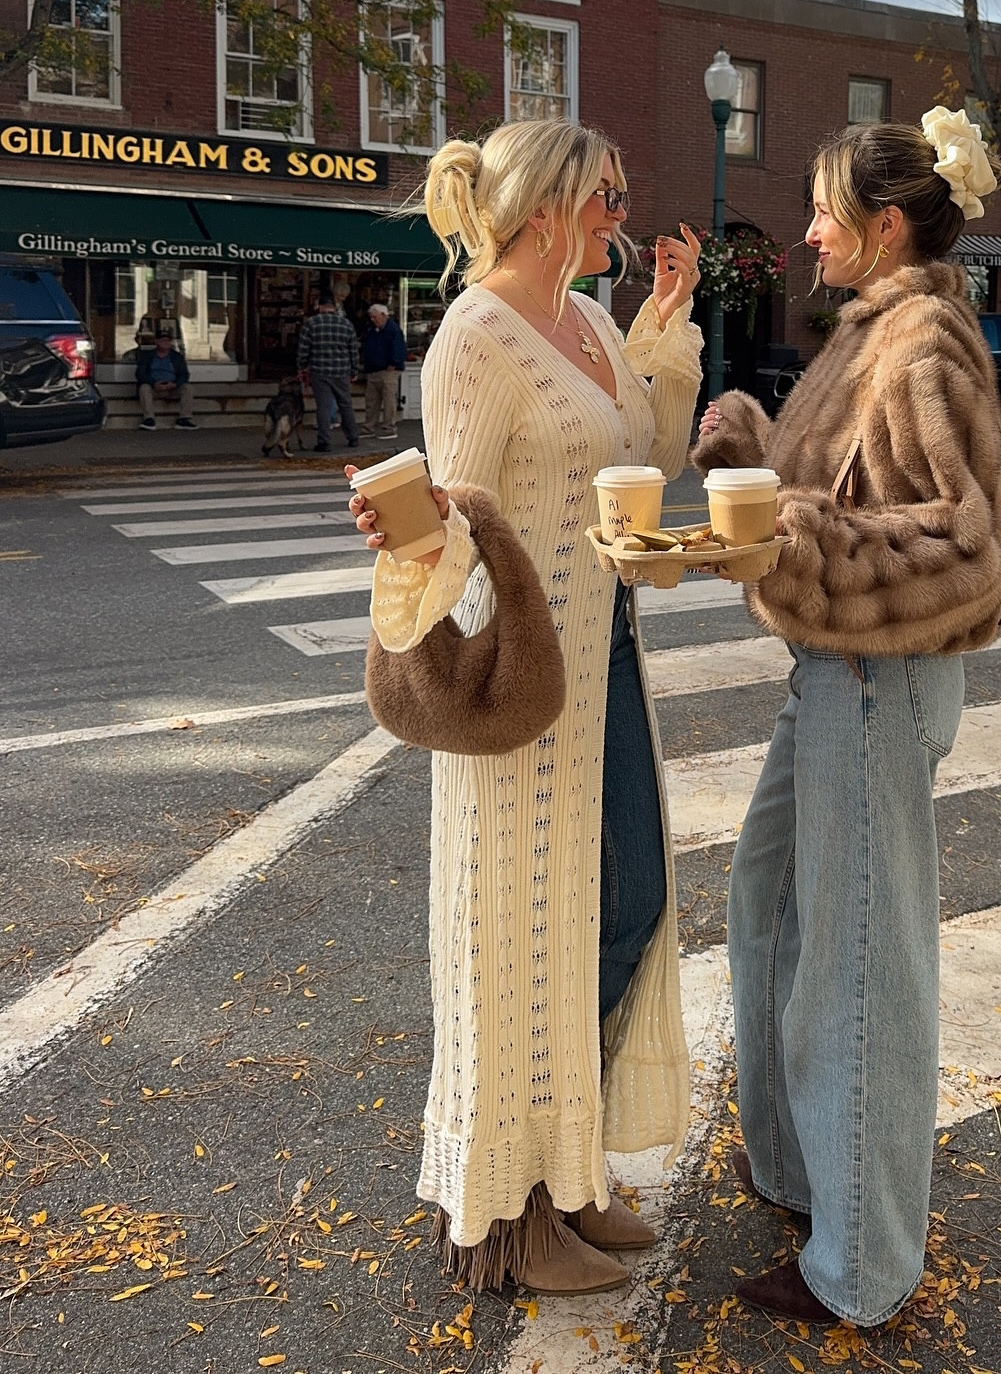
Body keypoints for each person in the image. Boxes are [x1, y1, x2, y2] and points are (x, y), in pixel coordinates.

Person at [346, 120, 703, 1295]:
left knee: (630, 905)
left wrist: (663, 322)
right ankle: (508, 1213)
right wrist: (405, 540)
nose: (622, 211)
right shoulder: (475, 336)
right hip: (525, 690)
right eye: (607, 194)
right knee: (519, 940)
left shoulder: (592, 324)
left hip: (611, 668)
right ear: (549, 202)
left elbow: (650, 448)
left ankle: (570, 1160)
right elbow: (449, 513)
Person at [693, 113, 1001, 1329]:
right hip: (836, 673)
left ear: (884, 229)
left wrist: (799, 538)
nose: (809, 229)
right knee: (770, 902)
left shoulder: (920, 337)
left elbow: (969, 547)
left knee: (858, 966)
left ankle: (862, 1267)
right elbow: (844, 495)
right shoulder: (874, 329)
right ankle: (793, 1168)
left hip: (874, 681)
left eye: (828, 210)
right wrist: (751, 450)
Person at [297, 290, 360, 452]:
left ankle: (325, 441)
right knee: (345, 404)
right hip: (342, 371)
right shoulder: (346, 325)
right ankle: (353, 437)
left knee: (323, 407)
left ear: (320, 306)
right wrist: (354, 369)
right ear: (334, 307)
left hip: (320, 371)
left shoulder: (311, 324)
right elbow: (353, 350)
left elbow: (304, 350)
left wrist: (302, 366)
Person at [361, 303, 407, 440]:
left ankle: (389, 428)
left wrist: (394, 363)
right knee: (372, 401)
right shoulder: (373, 330)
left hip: (388, 370)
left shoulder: (393, 330)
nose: (373, 320)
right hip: (374, 369)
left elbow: (399, 348)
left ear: (383, 315)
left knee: (388, 401)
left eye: (375, 317)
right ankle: (369, 427)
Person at [135, 331, 195, 429]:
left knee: (188, 388)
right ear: (157, 341)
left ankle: (184, 418)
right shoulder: (147, 356)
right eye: (163, 340)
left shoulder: (177, 357)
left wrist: (175, 384)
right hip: (154, 388)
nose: (166, 343)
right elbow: (140, 374)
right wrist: (153, 383)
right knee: (144, 388)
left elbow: (184, 374)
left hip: (172, 388)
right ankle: (148, 419)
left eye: (168, 340)